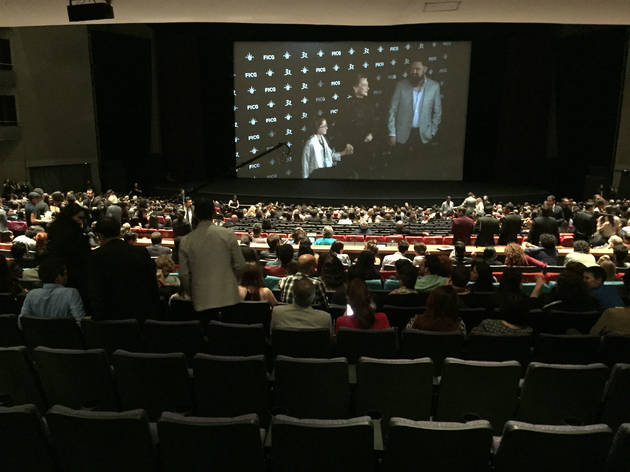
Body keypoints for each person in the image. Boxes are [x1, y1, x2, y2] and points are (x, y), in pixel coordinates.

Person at [179, 198, 246, 316]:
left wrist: (193, 294)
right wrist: (230, 283)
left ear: (195, 214)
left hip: (201, 300)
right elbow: (240, 266)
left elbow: (184, 275)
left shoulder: (185, 241)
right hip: (228, 297)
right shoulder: (228, 235)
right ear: (214, 212)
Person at [89, 217, 161, 321]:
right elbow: (152, 284)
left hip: (109, 318)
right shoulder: (140, 252)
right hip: (140, 315)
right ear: (120, 233)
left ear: (99, 235)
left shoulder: (95, 257)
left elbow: (95, 291)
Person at [387, 59, 442, 157]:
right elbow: (392, 110)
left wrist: (432, 132)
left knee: (420, 168)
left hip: (423, 136)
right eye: (412, 69)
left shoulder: (434, 86)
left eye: (417, 69)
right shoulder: (401, 85)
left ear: (425, 69)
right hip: (402, 135)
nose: (414, 72)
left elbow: (437, 112)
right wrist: (392, 133)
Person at [19, 256, 85, 325]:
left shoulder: (31, 295)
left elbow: (21, 323)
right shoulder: (71, 293)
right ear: (58, 277)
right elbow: (80, 323)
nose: (67, 276)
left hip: (37, 335)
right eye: (65, 273)